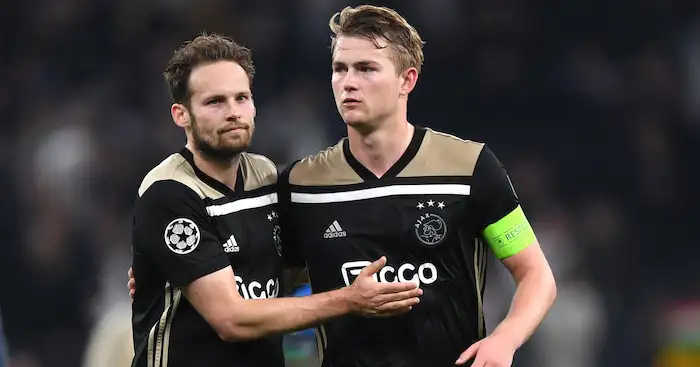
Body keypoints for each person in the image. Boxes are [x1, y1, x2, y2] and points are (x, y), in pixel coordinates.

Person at [276, 5, 557, 367]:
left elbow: (536, 274)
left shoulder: (468, 168)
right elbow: (270, 291)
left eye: (366, 69)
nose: (348, 81)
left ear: (406, 80)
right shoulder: (300, 185)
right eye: (339, 68)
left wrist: (504, 339)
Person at [129, 33, 422, 367]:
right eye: (215, 102)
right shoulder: (169, 192)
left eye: (242, 98)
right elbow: (231, 319)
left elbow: (298, 263)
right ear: (181, 115)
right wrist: (349, 300)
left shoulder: (267, 177)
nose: (233, 112)